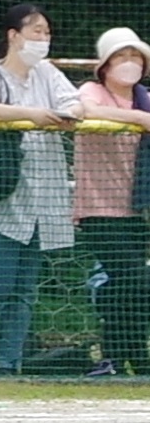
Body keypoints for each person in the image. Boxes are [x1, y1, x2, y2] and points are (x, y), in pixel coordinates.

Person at [0, 3, 79, 379]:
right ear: (13, 35)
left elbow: (73, 101)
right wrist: (30, 115)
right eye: (37, 31)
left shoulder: (47, 72)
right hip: (3, 196)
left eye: (47, 32)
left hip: (43, 197)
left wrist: (70, 113)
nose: (44, 38)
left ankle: (8, 364)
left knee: (23, 290)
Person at [76, 27, 150, 376]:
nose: (130, 63)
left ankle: (124, 357)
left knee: (129, 285)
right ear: (105, 64)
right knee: (131, 278)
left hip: (136, 209)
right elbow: (86, 112)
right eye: (122, 56)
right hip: (98, 208)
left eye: (135, 56)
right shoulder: (93, 91)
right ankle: (121, 355)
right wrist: (138, 119)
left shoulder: (145, 98)